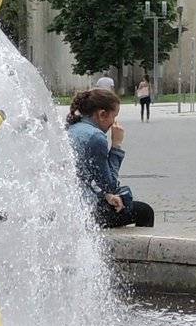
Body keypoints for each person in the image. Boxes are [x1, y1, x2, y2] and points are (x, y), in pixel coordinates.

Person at [64, 88, 154, 228]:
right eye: (114, 116)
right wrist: (116, 145)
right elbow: (109, 185)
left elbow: (84, 176)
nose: (114, 122)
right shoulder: (96, 137)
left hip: (70, 205)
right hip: (87, 212)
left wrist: (107, 196)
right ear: (102, 114)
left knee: (120, 202)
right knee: (145, 211)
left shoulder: (72, 128)